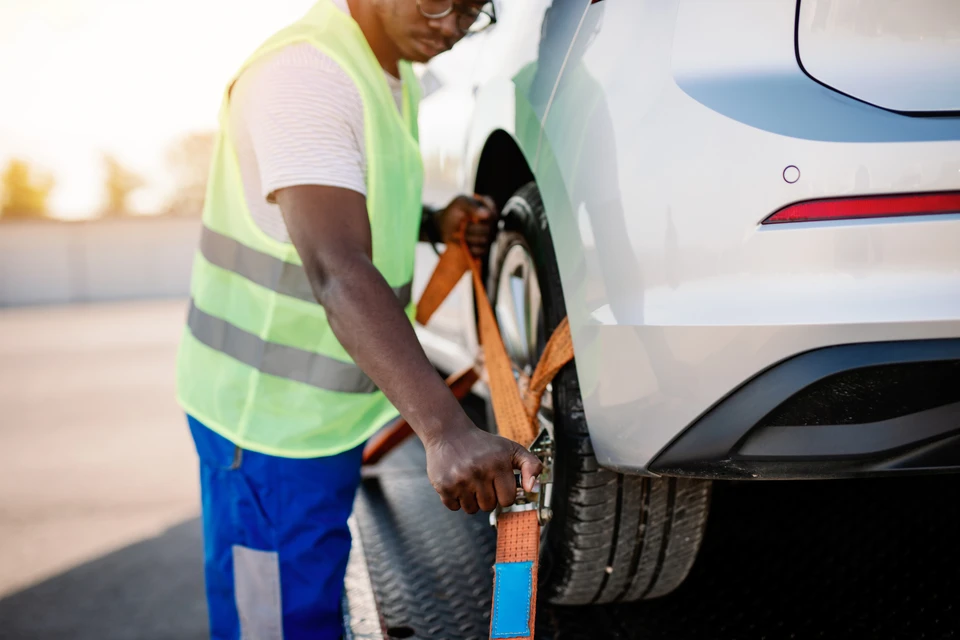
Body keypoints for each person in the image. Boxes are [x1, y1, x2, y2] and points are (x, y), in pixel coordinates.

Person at [173, 1, 543, 638]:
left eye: (473, 12)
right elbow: (338, 268)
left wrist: (435, 222)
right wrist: (445, 432)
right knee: (279, 625)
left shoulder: (387, 67)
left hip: (318, 418)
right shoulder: (307, 76)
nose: (452, 28)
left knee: (310, 599)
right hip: (266, 426)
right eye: (438, 2)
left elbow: (344, 202)